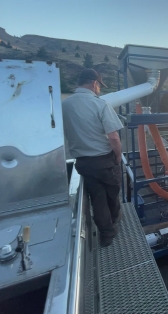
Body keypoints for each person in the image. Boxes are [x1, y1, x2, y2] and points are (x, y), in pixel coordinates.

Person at [62, 68, 124, 247]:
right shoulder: (100, 104)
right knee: (112, 195)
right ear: (94, 83)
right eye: (99, 86)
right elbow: (113, 137)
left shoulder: (65, 105)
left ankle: (106, 235)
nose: (99, 90)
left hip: (83, 163)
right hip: (104, 161)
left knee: (98, 198)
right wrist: (118, 157)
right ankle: (114, 223)